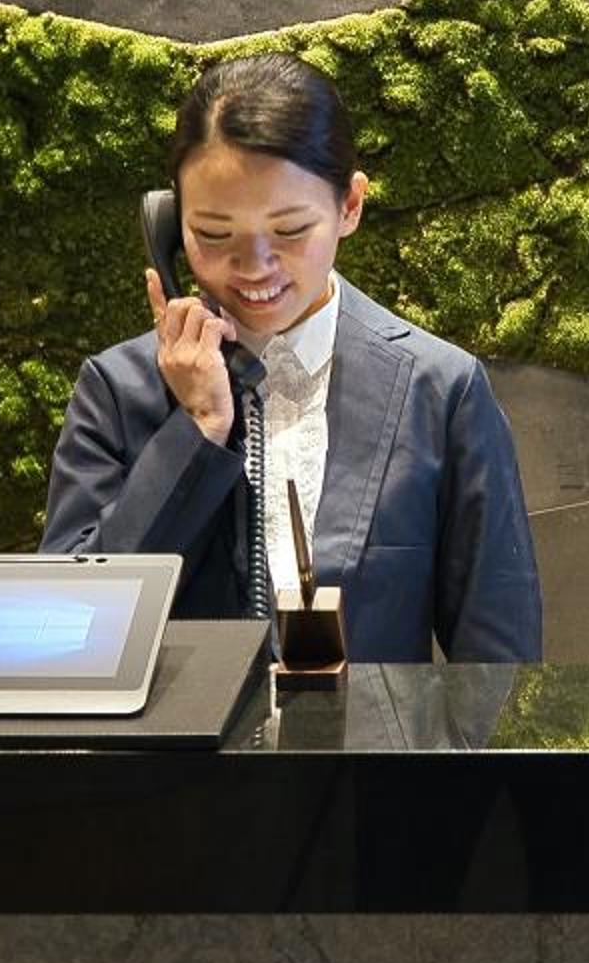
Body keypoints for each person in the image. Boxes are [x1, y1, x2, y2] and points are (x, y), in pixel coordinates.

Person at [39, 53, 545, 663]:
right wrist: (197, 430)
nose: (254, 267)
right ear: (171, 224)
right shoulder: (116, 390)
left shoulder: (440, 391)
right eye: (214, 234)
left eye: (290, 231)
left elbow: (499, 667)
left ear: (349, 205)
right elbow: (75, 626)